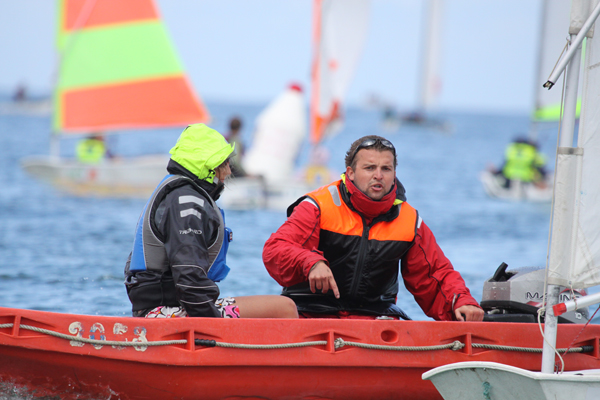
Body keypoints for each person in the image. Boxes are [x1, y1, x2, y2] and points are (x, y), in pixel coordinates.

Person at [263, 135, 484, 322]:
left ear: (394, 174)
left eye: (386, 169)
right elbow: (275, 250)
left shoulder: (409, 220)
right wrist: (311, 262)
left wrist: (461, 300)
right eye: (369, 168)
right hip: (311, 314)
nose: (378, 175)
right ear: (350, 172)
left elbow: (435, 275)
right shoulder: (317, 206)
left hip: (375, 322)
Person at [124, 123, 298, 319]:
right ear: (207, 167)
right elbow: (188, 278)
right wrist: (213, 328)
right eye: (224, 164)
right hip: (164, 312)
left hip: (163, 306)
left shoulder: (179, 194)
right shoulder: (187, 203)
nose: (228, 172)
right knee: (285, 308)